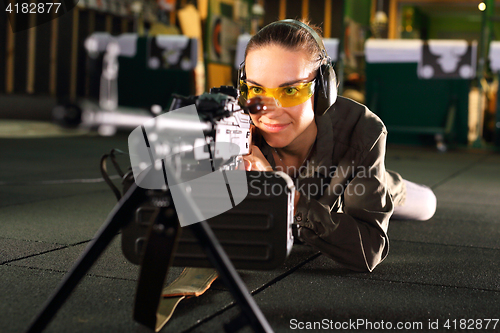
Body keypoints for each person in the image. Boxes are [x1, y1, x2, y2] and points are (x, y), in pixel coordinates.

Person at [240, 19, 436, 272]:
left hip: (359, 180)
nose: (269, 110)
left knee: (426, 204)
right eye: (256, 89)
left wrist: (281, 194)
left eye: (290, 92)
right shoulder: (233, 122)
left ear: (323, 90)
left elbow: (368, 251)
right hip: (328, 198)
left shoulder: (360, 131)